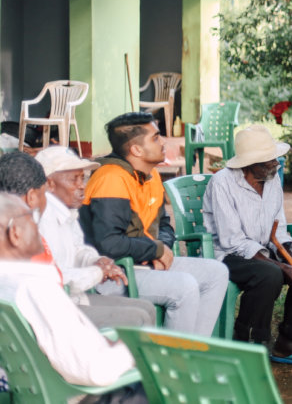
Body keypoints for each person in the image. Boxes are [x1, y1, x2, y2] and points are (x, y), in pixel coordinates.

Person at [80, 112, 229, 337]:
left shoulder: (151, 176)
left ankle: (194, 352)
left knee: (215, 272)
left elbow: (165, 225)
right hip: (113, 273)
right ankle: (173, 363)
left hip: (144, 263)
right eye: (156, 137)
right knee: (184, 287)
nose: (164, 142)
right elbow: (108, 244)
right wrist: (156, 250)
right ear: (136, 150)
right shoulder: (111, 178)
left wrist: (163, 250)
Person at [0, 193, 147, 402]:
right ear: (15, 233)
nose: (38, 227)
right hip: (82, 395)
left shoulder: (10, 283)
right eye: (32, 218)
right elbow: (96, 371)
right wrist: (134, 348)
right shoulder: (36, 287)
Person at [203, 125, 292, 366]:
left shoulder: (270, 179)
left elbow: (277, 229)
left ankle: (288, 341)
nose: (276, 164)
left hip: (262, 248)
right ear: (248, 164)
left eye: (275, 158)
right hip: (227, 254)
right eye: (268, 160)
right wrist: (281, 268)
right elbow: (233, 241)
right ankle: (248, 342)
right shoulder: (222, 183)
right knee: (269, 274)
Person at [34, 146, 157, 328]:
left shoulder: (66, 211)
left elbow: (78, 250)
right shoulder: (44, 219)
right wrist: (98, 272)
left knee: (147, 309)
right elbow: (56, 277)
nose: (82, 185)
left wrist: (97, 260)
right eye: (74, 179)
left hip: (71, 299)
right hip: (54, 311)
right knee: (137, 317)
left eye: (82, 178)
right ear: (50, 184)